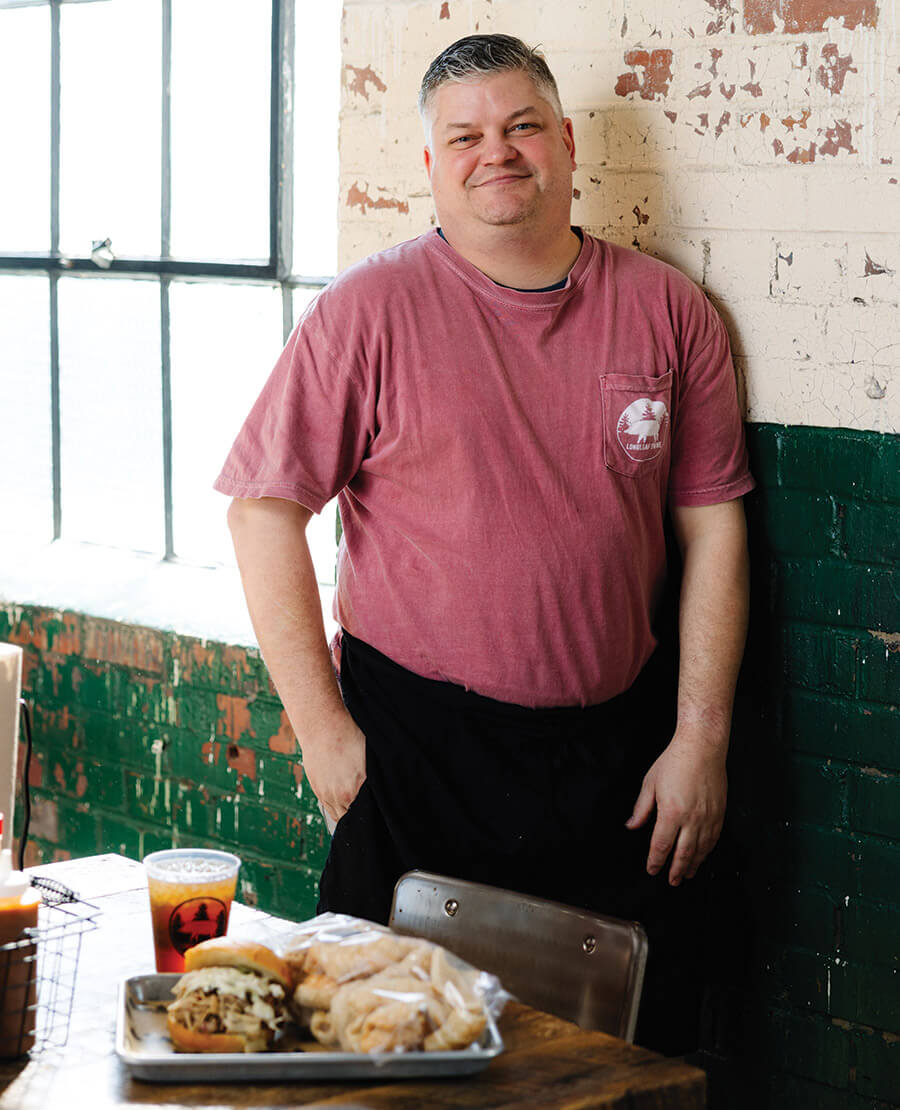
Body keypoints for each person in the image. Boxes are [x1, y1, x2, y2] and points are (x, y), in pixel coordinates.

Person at [215, 34, 754, 1053]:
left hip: (620, 765)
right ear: (431, 164)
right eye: (464, 136)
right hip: (416, 756)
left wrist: (701, 739)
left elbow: (714, 524)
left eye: (521, 126)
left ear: (567, 143)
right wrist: (323, 734)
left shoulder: (667, 309)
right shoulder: (366, 310)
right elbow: (262, 510)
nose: (495, 152)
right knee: (387, 1060)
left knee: (614, 1071)